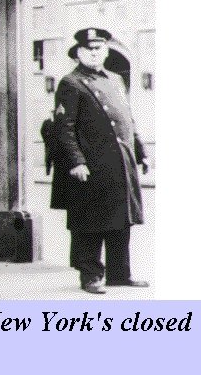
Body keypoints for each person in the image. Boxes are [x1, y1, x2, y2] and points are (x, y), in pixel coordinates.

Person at [50, 28, 150, 294]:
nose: (94, 53)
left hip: (120, 160)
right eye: (89, 49)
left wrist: (141, 151)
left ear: (106, 51)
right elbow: (65, 127)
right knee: (90, 222)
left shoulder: (116, 79)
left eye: (99, 49)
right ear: (78, 54)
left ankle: (120, 274)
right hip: (91, 165)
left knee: (121, 219)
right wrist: (76, 162)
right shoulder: (71, 83)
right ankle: (91, 275)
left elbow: (127, 119)